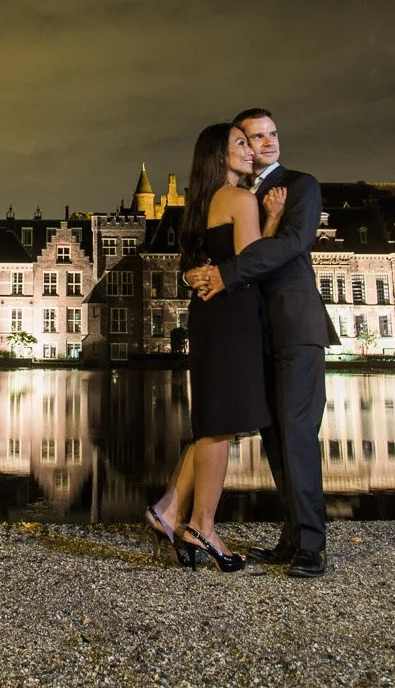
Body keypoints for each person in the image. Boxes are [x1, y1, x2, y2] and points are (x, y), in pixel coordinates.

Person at [186, 108, 337, 579]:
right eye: (254, 138)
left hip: (295, 326)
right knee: (275, 437)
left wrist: (225, 273)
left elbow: (293, 243)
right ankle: (291, 537)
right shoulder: (239, 195)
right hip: (255, 331)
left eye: (272, 134)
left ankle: (312, 544)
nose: (266, 143)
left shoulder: (301, 185)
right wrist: (196, 272)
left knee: (297, 430)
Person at [144, 122, 285, 572]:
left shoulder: (197, 206)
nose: (250, 149)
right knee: (220, 426)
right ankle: (202, 525)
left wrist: (196, 275)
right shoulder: (241, 199)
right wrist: (274, 219)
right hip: (234, 316)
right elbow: (254, 263)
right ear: (219, 156)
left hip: (207, 316)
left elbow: (199, 264)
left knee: (212, 423)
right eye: (240, 143)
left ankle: (170, 509)